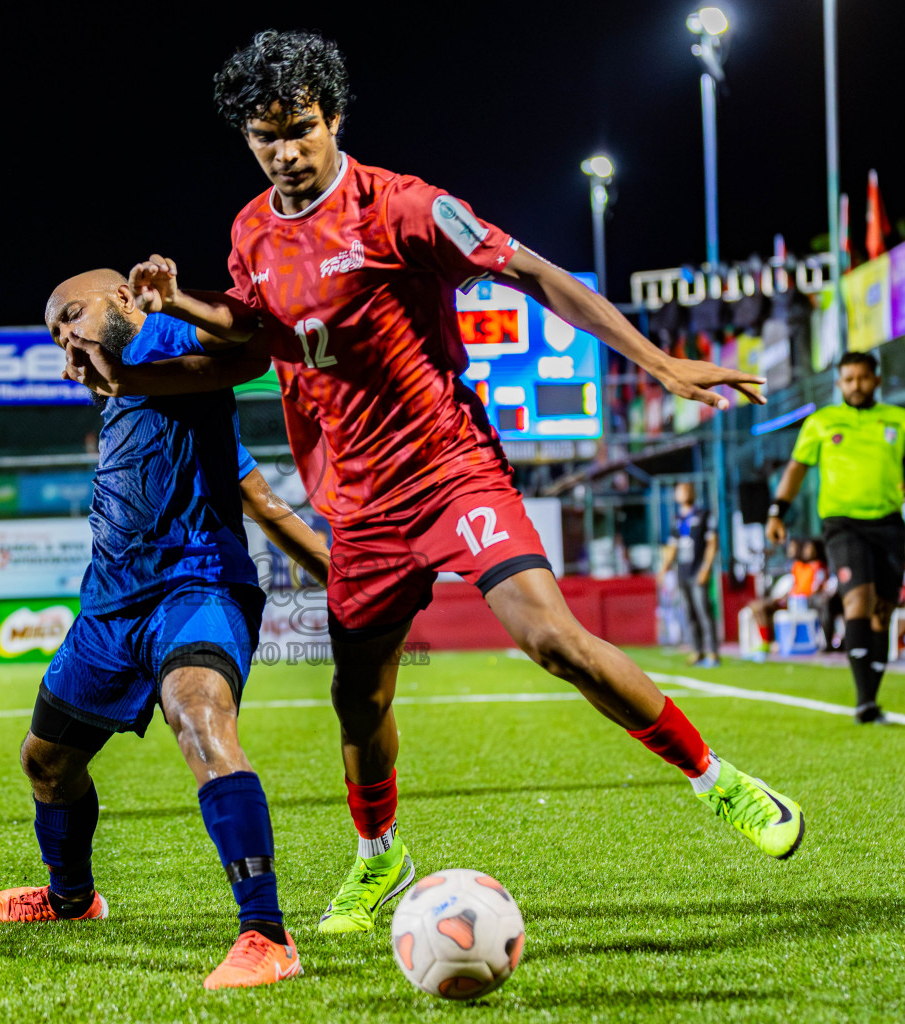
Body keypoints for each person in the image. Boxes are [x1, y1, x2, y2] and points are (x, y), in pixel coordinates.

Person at [66, 30, 805, 937]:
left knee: (553, 640)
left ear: (333, 116)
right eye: (266, 137)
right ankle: (380, 862)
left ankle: (718, 781)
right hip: (362, 506)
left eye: (300, 129)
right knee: (358, 699)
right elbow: (251, 340)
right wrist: (175, 305)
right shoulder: (251, 232)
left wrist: (659, 363)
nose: (286, 152)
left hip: (454, 473)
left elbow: (534, 274)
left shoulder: (404, 209)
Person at [0, 269, 330, 990]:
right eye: (54, 333)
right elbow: (254, 491)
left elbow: (250, 341)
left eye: (70, 314)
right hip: (110, 607)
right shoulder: (120, 391)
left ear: (121, 299)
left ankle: (266, 934)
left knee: (199, 719)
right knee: (45, 762)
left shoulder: (160, 333)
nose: (64, 337)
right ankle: (70, 899)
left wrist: (351, 580)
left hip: (196, 587)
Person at [768, 351, 905, 723]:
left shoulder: (900, 421)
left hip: (889, 523)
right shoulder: (822, 422)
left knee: (882, 613)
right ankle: (864, 702)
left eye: (862, 378)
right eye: (848, 379)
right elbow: (796, 468)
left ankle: (871, 698)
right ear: (839, 383)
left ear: (876, 380)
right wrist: (777, 510)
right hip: (842, 524)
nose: (855, 385)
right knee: (857, 601)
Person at [658, 482, 719, 667]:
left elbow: (712, 542)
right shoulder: (677, 519)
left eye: (687, 489)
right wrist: (663, 568)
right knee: (689, 612)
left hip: (698, 569)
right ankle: (697, 651)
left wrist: (706, 567)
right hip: (682, 572)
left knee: (704, 611)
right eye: (680, 490)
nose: (684, 492)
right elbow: (672, 546)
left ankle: (712, 652)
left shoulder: (704, 515)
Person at [746, 538, 830, 657]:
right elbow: (794, 586)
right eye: (806, 548)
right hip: (792, 600)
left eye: (810, 549)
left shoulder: (819, 567)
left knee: (765, 608)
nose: (807, 551)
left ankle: (769, 644)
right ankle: (766, 643)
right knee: (758, 607)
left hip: (804, 603)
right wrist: (784, 597)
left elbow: (816, 588)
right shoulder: (797, 566)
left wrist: (800, 598)